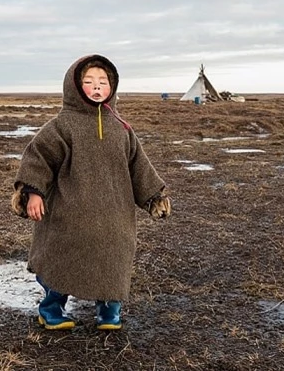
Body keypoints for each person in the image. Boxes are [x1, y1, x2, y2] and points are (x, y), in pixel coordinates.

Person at [11, 54, 171, 331]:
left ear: (113, 87)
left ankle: (109, 310)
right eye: (88, 82)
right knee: (62, 256)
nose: (97, 87)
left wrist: (153, 196)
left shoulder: (122, 129)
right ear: (74, 86)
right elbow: (39, 158)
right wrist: (32, 192)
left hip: (115, 214)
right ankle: (51, 308)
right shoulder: (62, 126)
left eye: (103, 82)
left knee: (114, 257)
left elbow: (138, 165)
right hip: (69, 211)